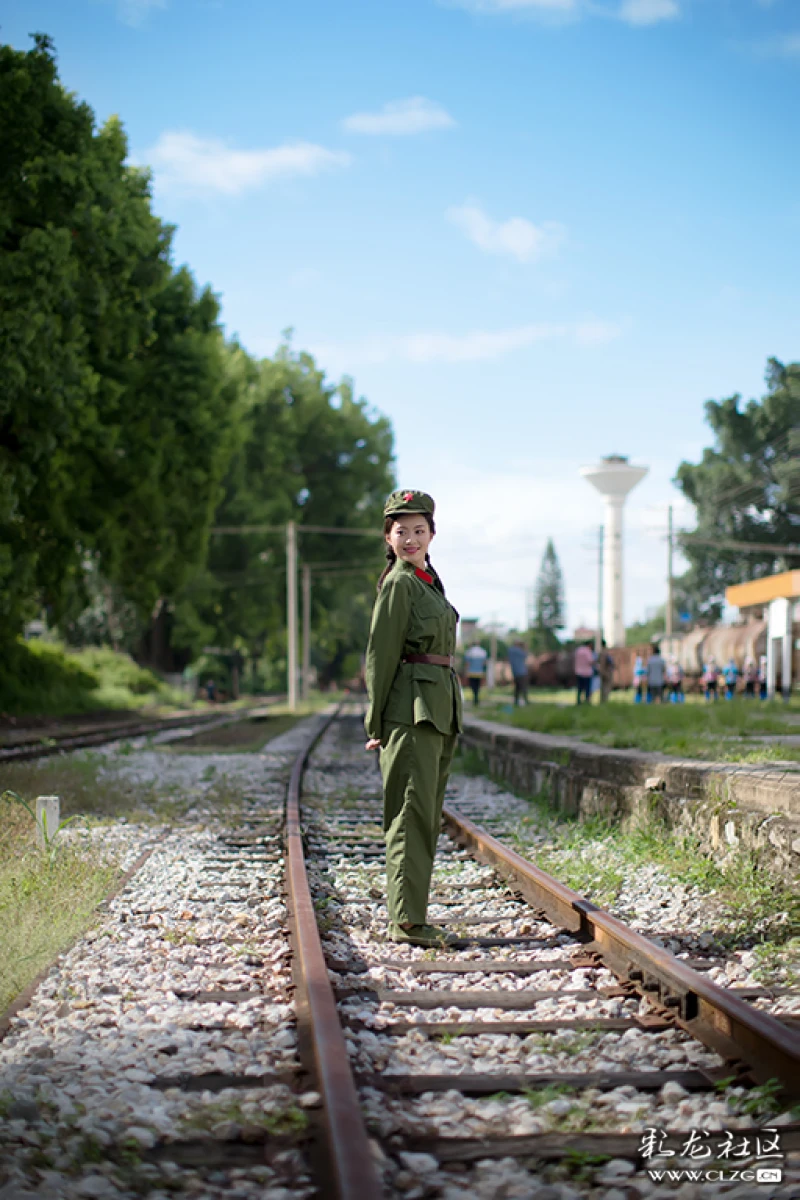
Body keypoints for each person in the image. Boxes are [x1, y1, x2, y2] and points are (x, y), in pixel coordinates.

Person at [364, 489, 462, 948]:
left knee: (424, 815)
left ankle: (412, 915)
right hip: (411, 711)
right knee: (409, 814)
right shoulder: (401, 584)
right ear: (388, 536)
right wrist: (376, 724)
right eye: (401, 531)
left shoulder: (427, 581)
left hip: (437, 710)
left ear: (432, 535)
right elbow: (380, 655)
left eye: (418, 531)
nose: (410, 539)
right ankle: (406, 921)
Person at [463, 641, 488, 705]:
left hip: (471, 672)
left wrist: (466, 671)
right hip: (479, 672)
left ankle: (475, 697)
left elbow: (467, 663)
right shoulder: (483, 652)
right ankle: (476, 697)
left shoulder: (469, 652)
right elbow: (484, 663)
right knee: (478, 685)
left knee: (472, 685)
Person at [507, 640, 528, 706]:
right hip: (522, 671)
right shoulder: (520, 651)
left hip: (515, 671)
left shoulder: (510, 650)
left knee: (517, 687)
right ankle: (526, 700)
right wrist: (524, 647)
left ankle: (516, 701)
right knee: (523, 687)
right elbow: (525, 656)